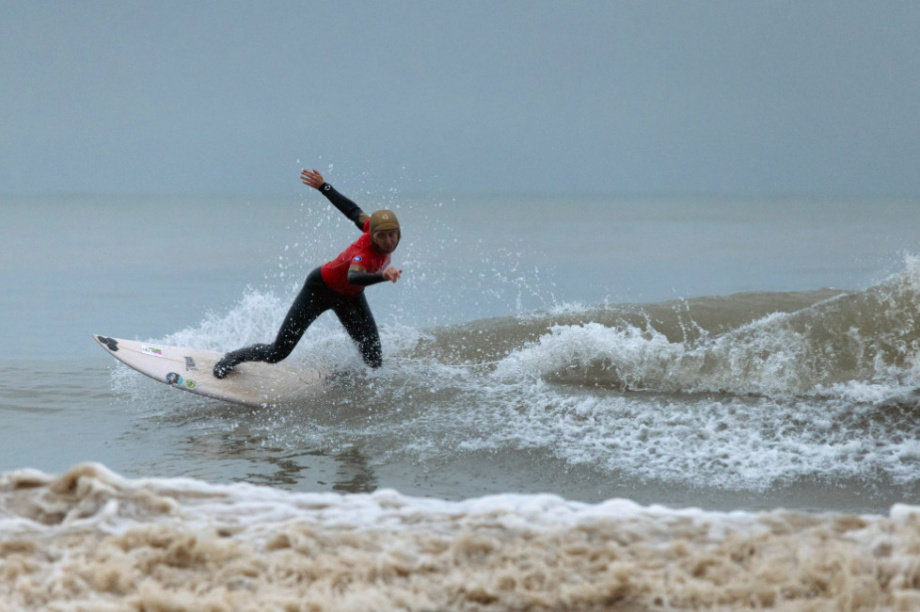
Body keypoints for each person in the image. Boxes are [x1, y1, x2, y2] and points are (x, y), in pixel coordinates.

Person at [213, 169, 403, 379]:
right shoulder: (363, 254)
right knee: (277, 352)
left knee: (374, 359)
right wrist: (383, 276)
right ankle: (232, 357)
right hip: (319, 290)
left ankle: (345, 378)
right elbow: (353, 277)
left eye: (392, 235)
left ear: (398, 233)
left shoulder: (371, 227)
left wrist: (324, 186)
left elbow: (352, 211)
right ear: (373, 236)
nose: (388, 241)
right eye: (382, 236)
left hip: (350, 296)